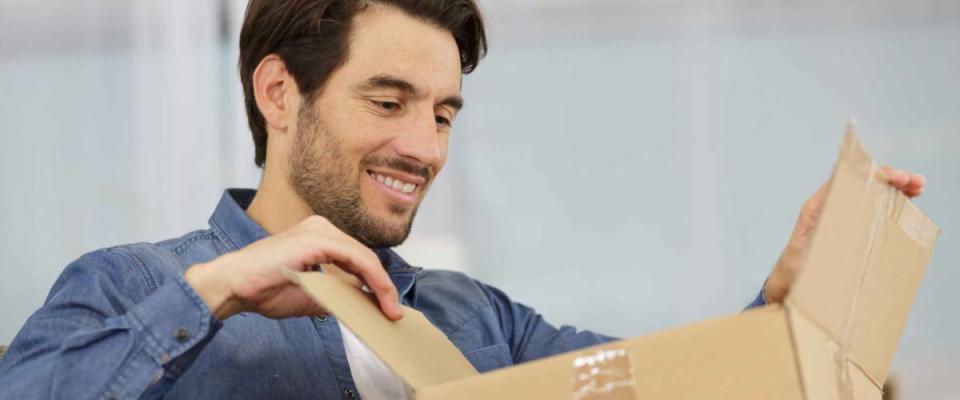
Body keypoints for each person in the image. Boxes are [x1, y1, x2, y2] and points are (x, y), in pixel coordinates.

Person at [0, 1, 927, 399]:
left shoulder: (475, 319)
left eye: (444, 112)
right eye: (389, 100)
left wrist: (782, 301)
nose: (425, 147)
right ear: (279, 94)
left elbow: (672, 386)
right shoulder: (134, 288)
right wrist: (217, 292)